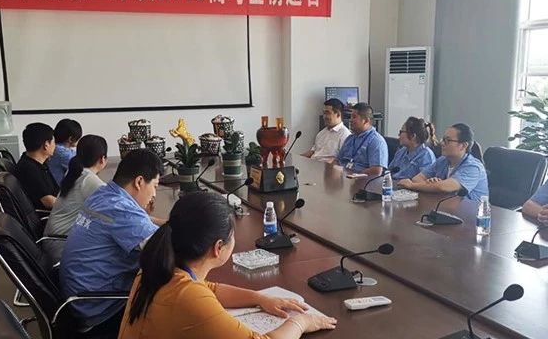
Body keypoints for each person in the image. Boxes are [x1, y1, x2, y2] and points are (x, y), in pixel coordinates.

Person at [119, 192, 337, 339]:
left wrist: (260, 298)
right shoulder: (187, 295)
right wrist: (301, 322)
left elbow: (211, 290)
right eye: (232, 236)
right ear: (218, 247)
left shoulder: (157, 267)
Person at [59, 149, 164, 336]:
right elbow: (165, 250)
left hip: (79, 295)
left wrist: (167, 223)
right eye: (155, 186)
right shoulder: (120, 209)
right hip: (99, 308)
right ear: (139, 182)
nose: (154, 194)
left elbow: (135, 221)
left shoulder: (104, 194)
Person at [398, 123, 488, 201]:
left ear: (463, 145)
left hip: (470, 213)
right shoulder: (443, 160)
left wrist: (411, 186)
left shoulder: (473, 167)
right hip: (445, 208)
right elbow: (417, 179)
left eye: (447, 140)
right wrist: (431, 184)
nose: (442, 143)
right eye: (443, 140)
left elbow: (444, 187)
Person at [44, 134, 107, 237]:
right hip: (60, 240)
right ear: (102, 159)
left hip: (54, 235)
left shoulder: (74, 172)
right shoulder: (89, 180)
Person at [14, 122, 58, 210]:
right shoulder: (29, 169)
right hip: (50, 215)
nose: (55, 145)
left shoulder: (34, 163)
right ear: (46, 145)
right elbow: (49, 202)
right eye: (54, 142)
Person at [335, 103, 388, 176]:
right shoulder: (350, 138)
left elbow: (376, 171)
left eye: (354, 117)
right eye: (351, 117)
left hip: (362, 179)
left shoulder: (376, 141)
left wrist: (354, 174)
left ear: (366, 121)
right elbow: (338, 160)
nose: (350, 120)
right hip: (343, 177)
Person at [302, 98, 351, 163]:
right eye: (324, 113)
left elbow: (343, 160)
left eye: (327, 113)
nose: (324, 116)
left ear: (338, 114)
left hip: (326, 167)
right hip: (312, 164)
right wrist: (297, 158)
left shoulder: (345, 135)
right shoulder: (321, 133)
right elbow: (312, 151)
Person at [47, 118, 82, 183]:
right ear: (70, 139)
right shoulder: (61, 152)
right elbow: (81, 165)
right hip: (58, 187)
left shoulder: (55, 147)